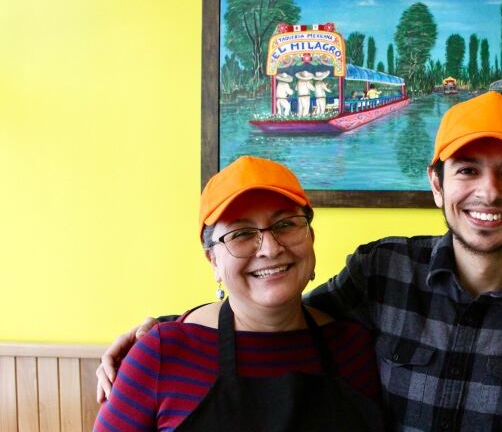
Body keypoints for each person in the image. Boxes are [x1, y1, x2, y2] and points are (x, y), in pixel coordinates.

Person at [98, 92, 502, 430]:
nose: (488, 191)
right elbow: (274, 312)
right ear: (437, 184)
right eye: (467, 170)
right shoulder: (383, 273)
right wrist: (164, 334)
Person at [94, 156, 384, 431]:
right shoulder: (161, 355)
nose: (270, 249)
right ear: (214, 261)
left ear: (310, 238)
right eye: (241, 233)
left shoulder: (353, 348)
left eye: (285, 225)